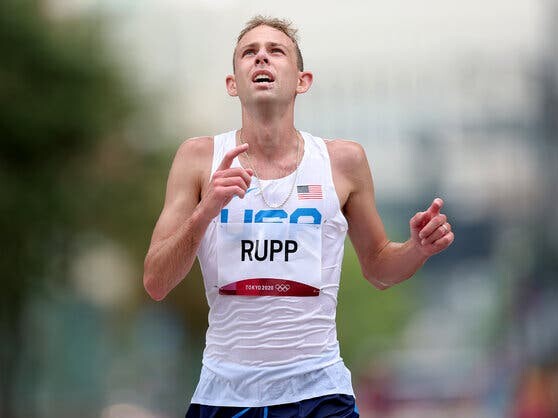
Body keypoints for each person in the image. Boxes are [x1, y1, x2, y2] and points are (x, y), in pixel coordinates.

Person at [143, 15, 454, 418]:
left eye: (276, 51)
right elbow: (156, 282)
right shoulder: (199, 159)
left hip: (319, 392)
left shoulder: (343, 161)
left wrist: (417, 247)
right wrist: (206, 211)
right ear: (232, 84)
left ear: (302, 81)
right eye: (249, 53)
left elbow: (379, 268)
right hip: (226, 395)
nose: (262, 58)